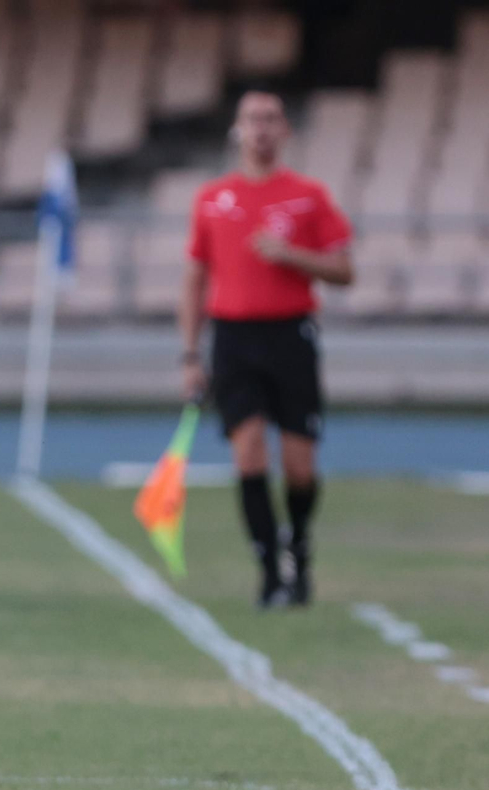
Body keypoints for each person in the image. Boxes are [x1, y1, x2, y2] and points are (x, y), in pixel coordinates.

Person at [180, 91, 354, 608]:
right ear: (237, 129)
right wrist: (190, 355)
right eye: (252, 119)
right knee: (248, 452)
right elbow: (194, 280)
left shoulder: (308, 196)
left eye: (271, 119)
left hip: (291, 336)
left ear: (285, 131)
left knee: (300, 466)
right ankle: (268, 571)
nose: (261, 128)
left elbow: (345, 270)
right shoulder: (212, 198)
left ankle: (298, 547)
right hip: (233, 339)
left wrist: (292, 255)